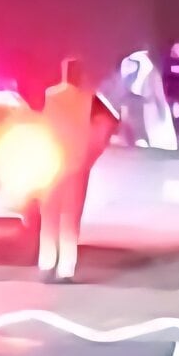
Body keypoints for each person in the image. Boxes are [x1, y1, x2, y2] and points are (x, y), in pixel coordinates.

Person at [39, 58, 121, 283]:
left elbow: (36, 121)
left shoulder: (50, 95)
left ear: (64, 73)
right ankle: (65, 269)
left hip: (51, 164)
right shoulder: (89, 98)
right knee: (70, 218)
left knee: (49, 216)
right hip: (77, 165)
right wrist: (94, 148)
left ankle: (47, 263)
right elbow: (111, 121)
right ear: (80, 75)